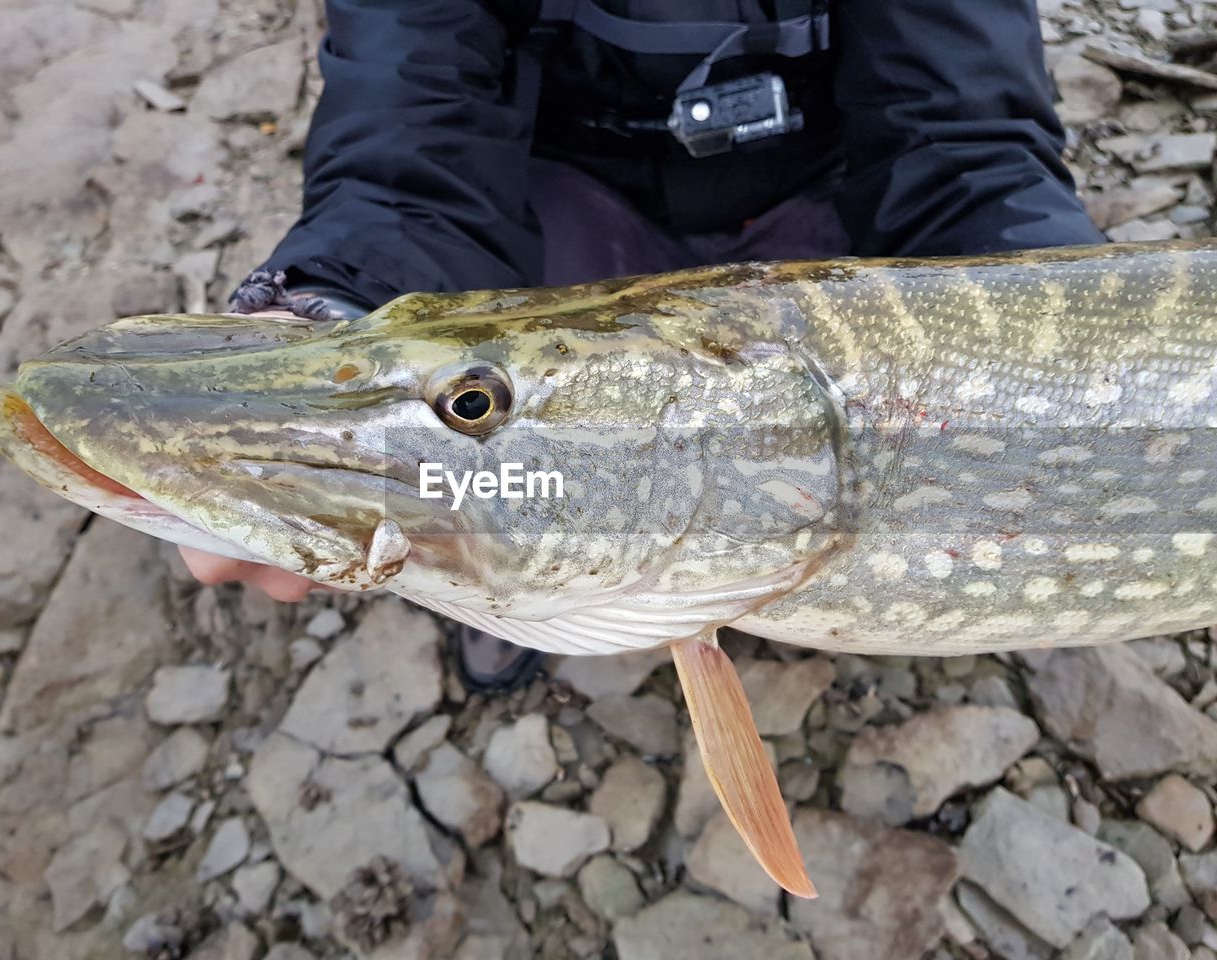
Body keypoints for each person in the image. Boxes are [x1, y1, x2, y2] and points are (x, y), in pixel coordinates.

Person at [180, 0, 1103, 688]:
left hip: (826, 203)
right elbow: (411, 136)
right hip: (561, 205)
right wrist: (330, 307)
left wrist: (1084, 351)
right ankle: (514, 587)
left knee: (859, 434)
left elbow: (964, 146)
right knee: (493, 446)